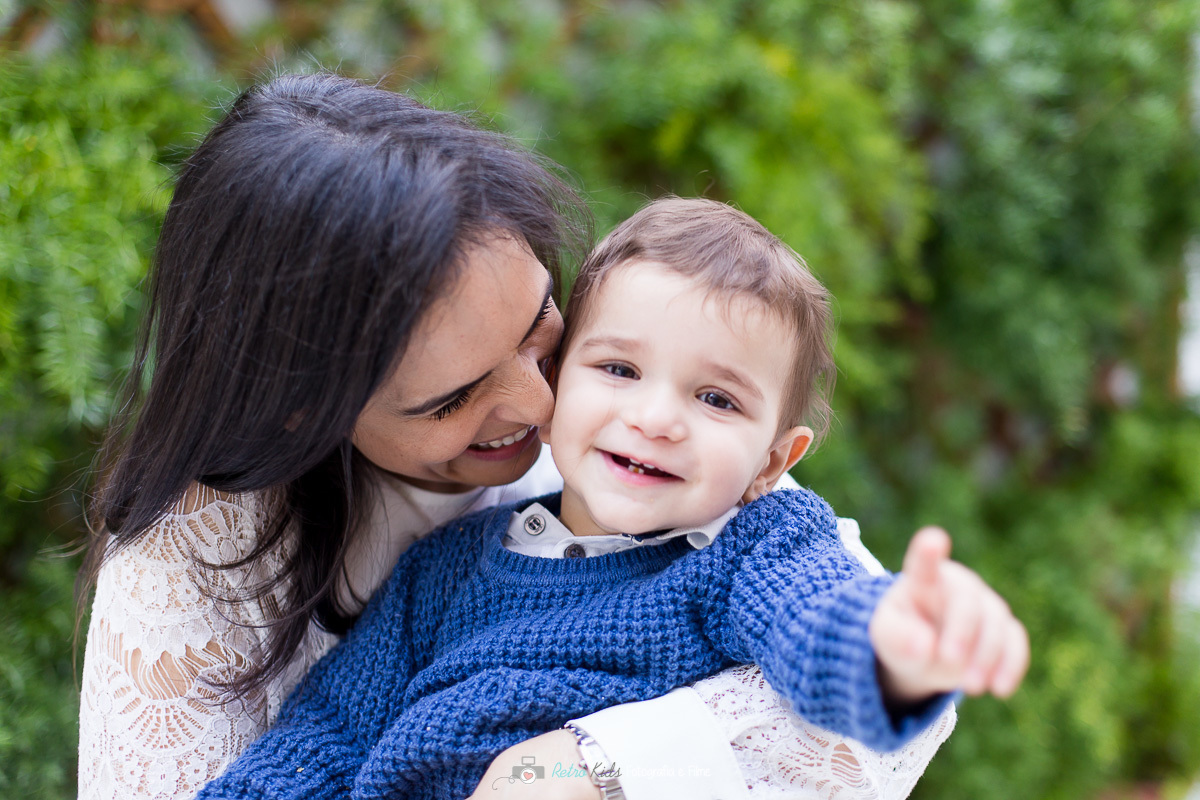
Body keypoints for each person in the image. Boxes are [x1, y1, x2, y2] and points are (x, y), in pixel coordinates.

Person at [77, 73, 958, 800]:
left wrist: (579, 769)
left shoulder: (719, 507)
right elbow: (326, 738)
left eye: (544, 326)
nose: (537, 404)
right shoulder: (425, 573)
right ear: (303, 409)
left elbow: (850, 671)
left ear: (775, 457)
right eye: (454, 397)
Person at [194, 198, 1029, 800]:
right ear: (555, 383)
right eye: (620, 370)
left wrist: (897, 648)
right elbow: (329, 736)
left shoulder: (752, 549)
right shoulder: (446, 569)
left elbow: (818, 627)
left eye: (717, 400)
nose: (656, 418)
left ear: (775, 459)